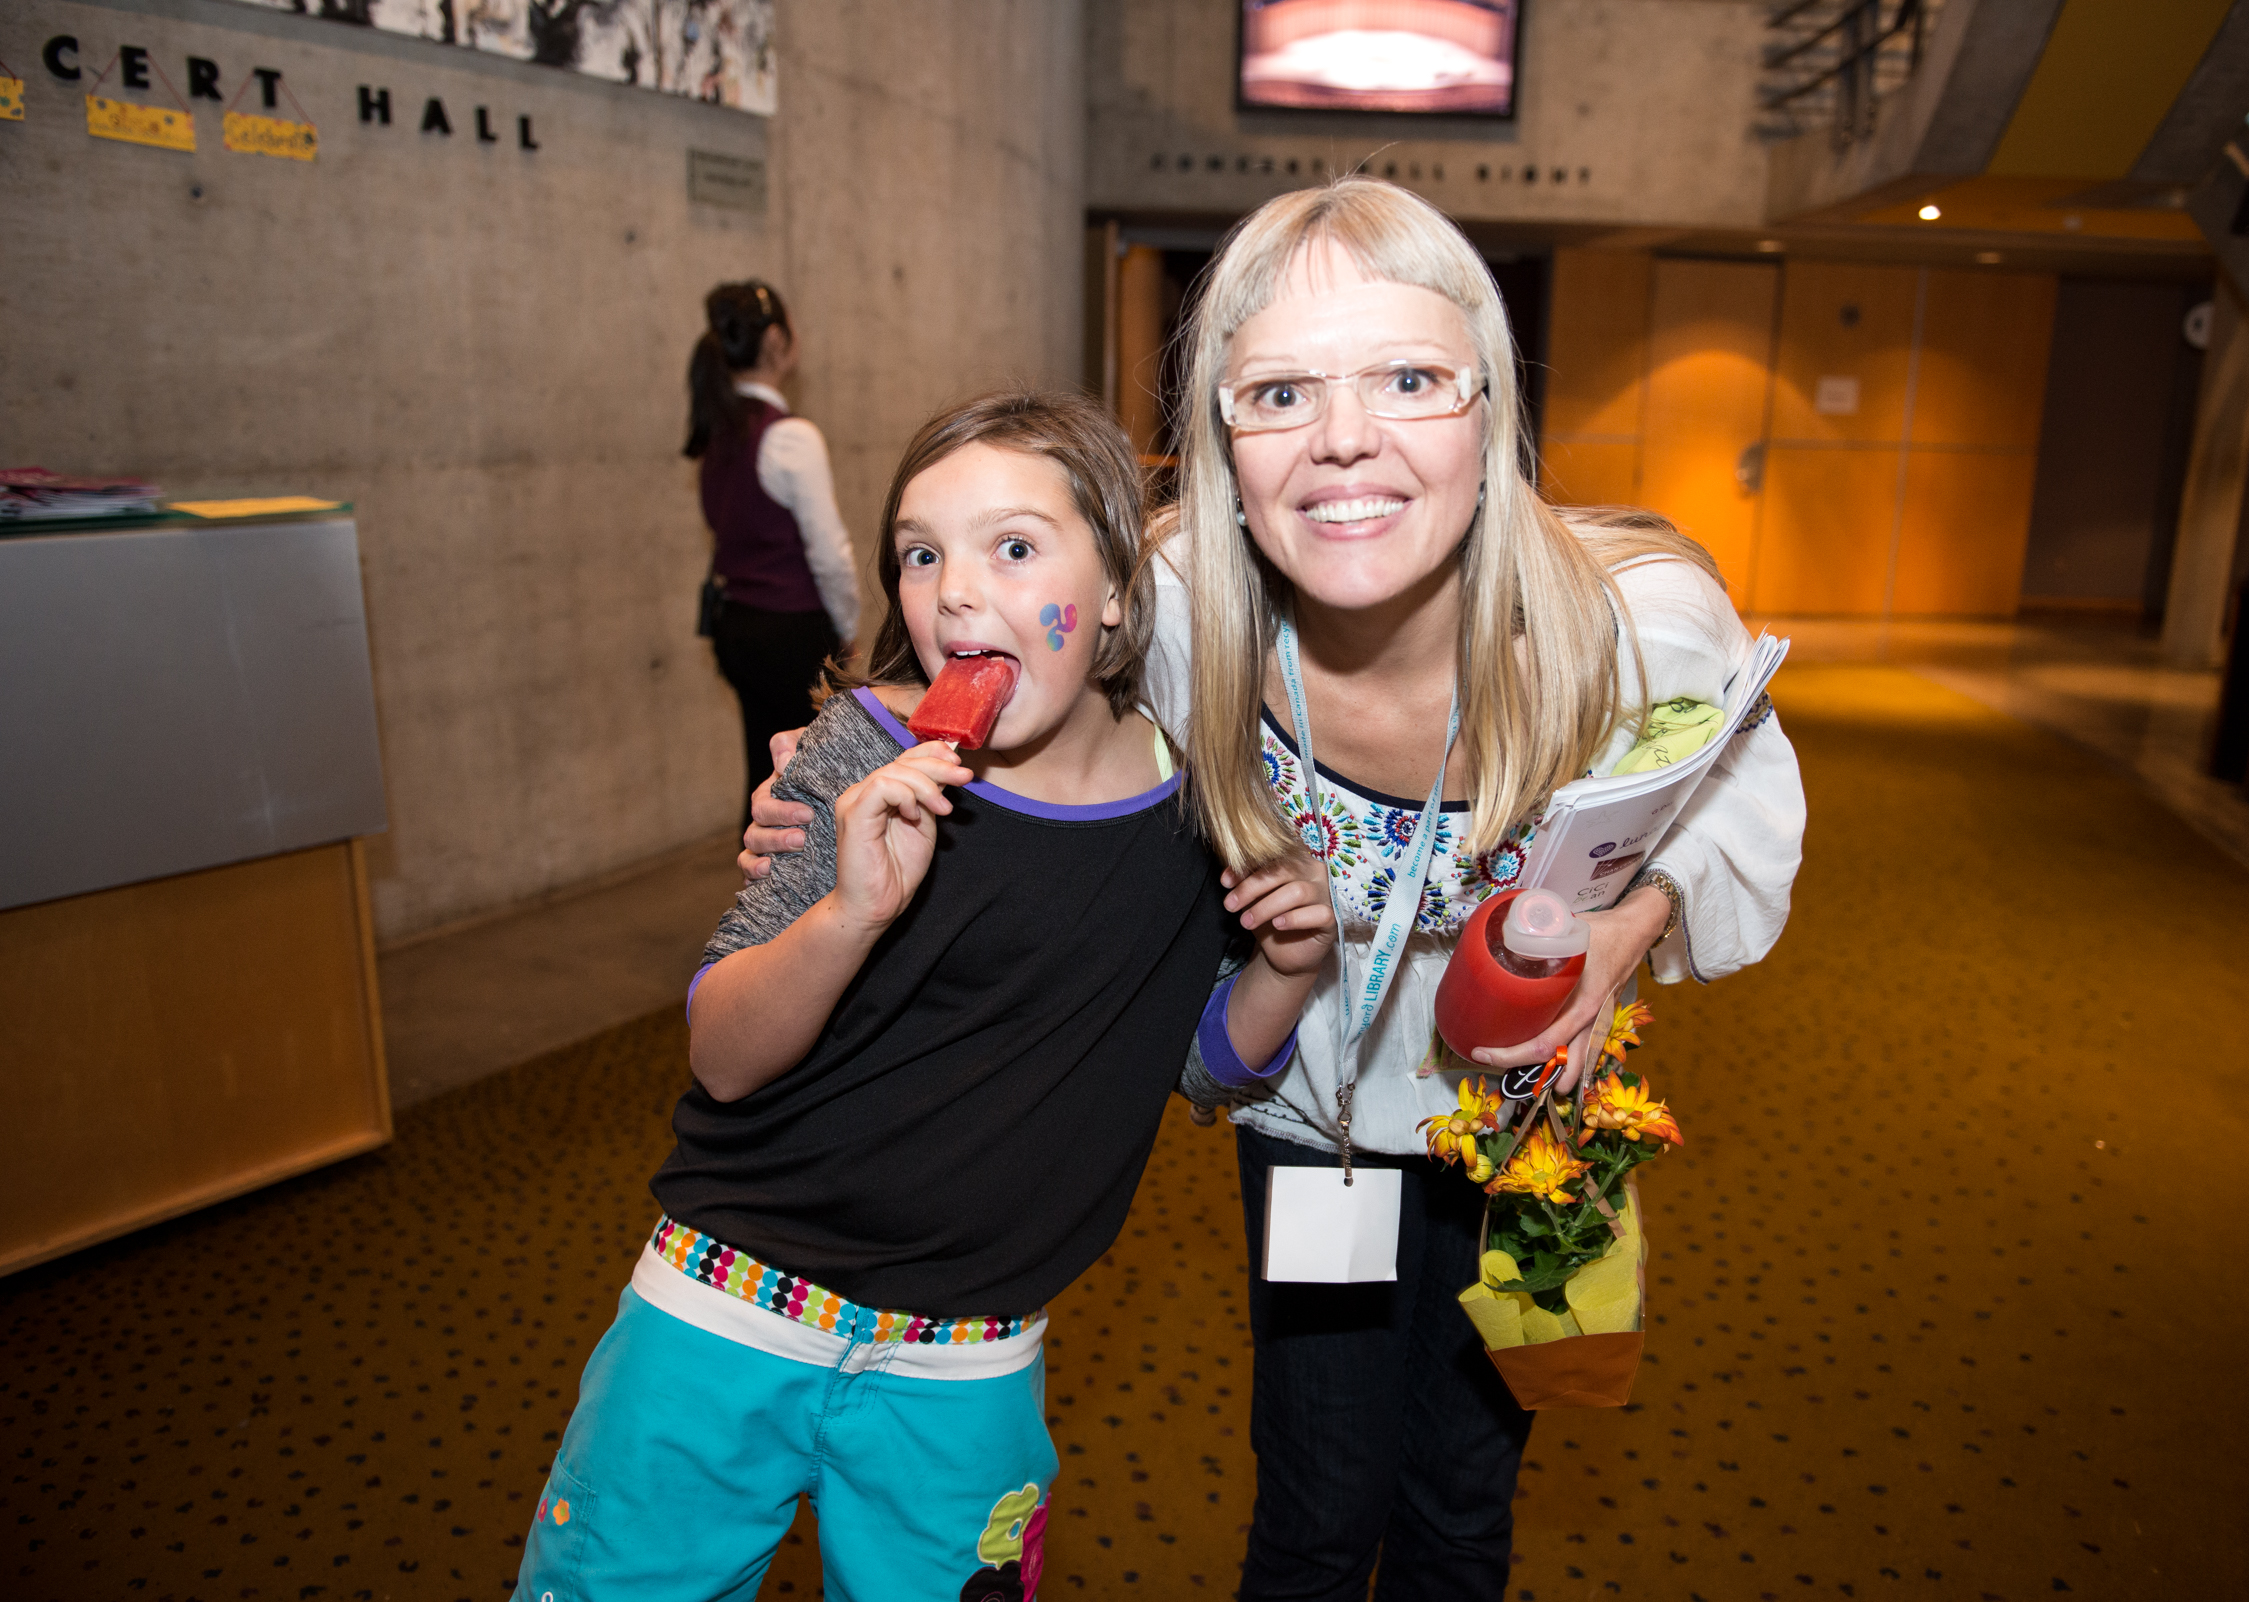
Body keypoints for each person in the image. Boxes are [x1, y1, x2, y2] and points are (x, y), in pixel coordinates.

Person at [744, 179, 1804, 1601]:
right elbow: (1013, 647)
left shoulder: (1636, 619)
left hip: (1531, 1117)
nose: (1347, 439)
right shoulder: (1184, 607)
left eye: (1412, 378)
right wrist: (836, 760)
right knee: (1315, 1502)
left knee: (1462, 1503)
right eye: (1282, 390)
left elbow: (1737, 788)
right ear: (1221, 440)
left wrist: (1629, 926)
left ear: (1490, 407)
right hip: (1321, 1129)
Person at [518, 391, 1334, 1602]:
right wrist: (849, 913)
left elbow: (1206, 1067)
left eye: (1013, 547)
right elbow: (724, 1058)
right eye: (920, 552)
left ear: (1115, 584)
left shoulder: (1197, 803)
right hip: (722, 1314)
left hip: (970, 1364)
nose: (953, 592)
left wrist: (1289, 964)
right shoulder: (856, 751)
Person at [685, 280, 863, 791]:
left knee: (764, 772)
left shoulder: (715, 433)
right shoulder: (789, 436)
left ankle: (759, 869)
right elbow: (829, 554)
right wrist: (847, 628)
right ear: (779, 341)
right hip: (791, 634)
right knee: (807, 782)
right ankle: (801, 873)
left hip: (738, 629)